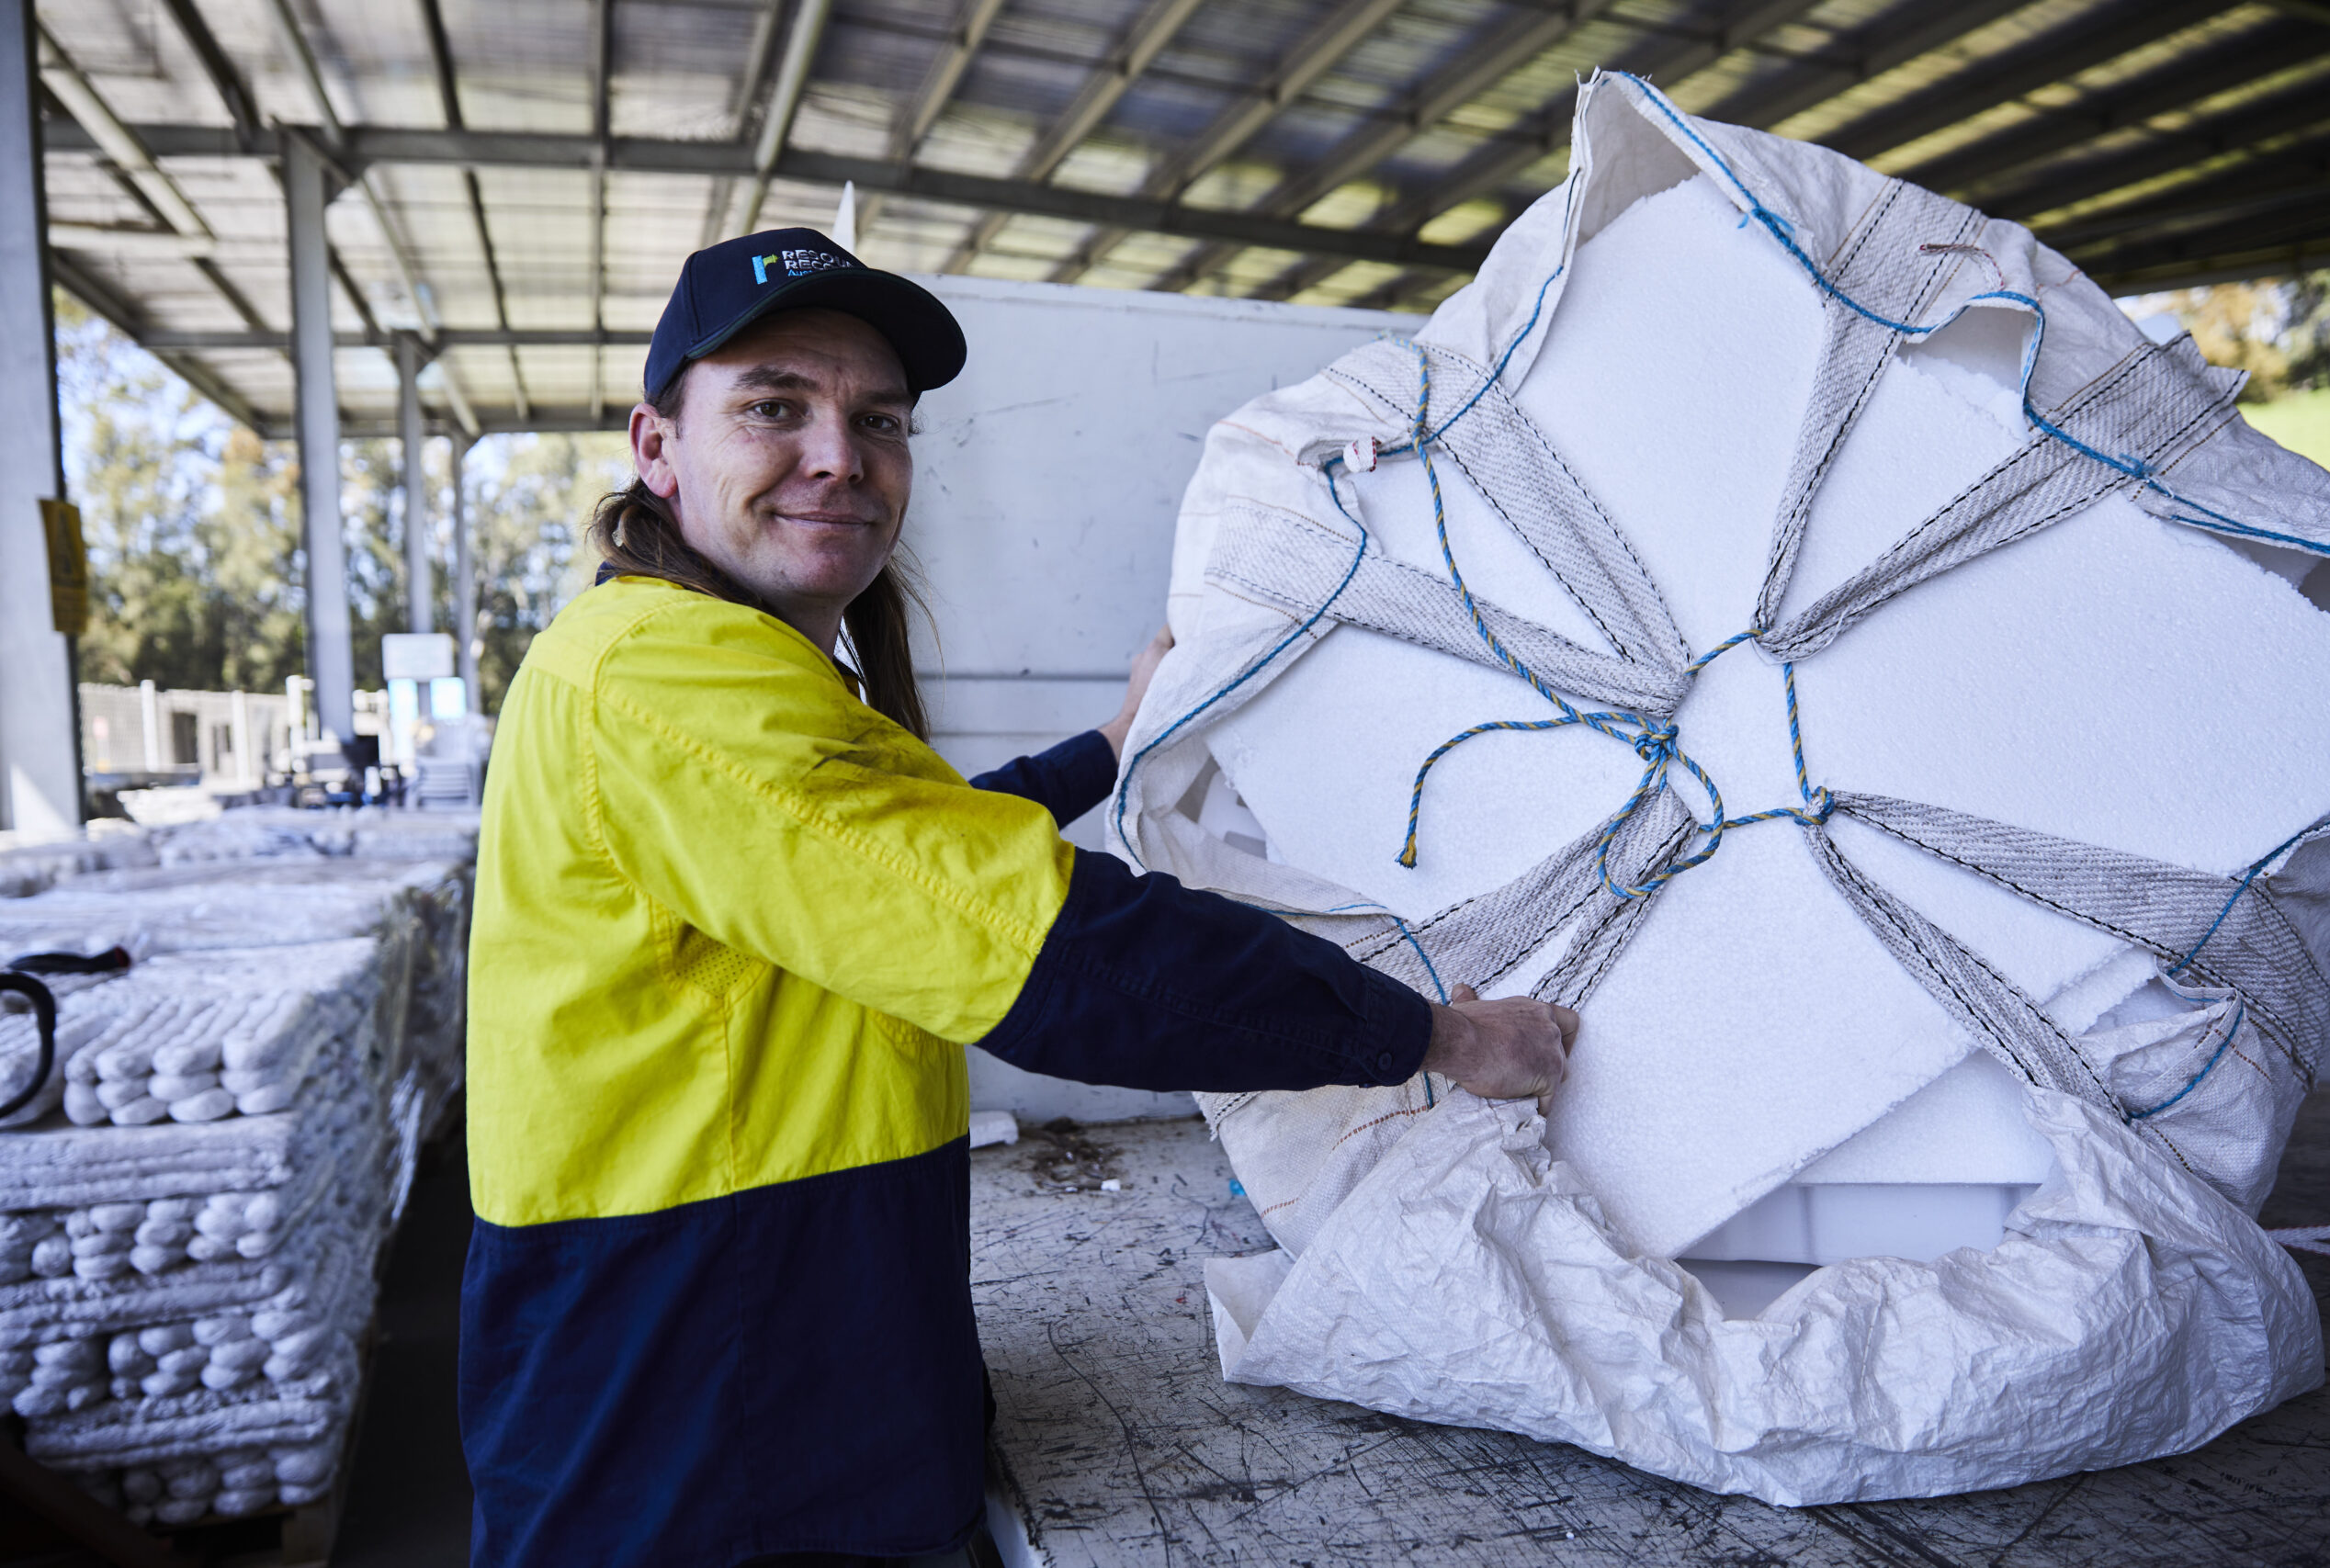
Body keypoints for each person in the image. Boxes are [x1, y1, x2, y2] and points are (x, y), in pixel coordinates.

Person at [459, 228, 1578, 1568]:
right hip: (707, 1445)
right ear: (656, 446)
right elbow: (1054, 951)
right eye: (773, 408)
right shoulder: (665, 676)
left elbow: (888, 849)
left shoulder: (690, 663)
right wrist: (1441, 1039)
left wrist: (1108, 752)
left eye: (879, 419)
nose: (838, 455)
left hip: (758, 1382)